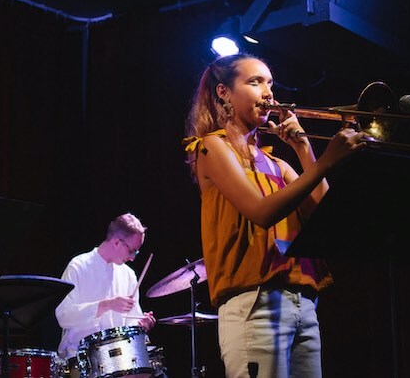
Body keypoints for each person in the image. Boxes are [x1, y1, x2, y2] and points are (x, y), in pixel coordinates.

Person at [183, 53, 366, 378]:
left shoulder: (278, 165)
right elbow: (261, 212)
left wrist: (304, 149)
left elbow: (326, 215)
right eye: (254, 82)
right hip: (254, 302)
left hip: (302, 302)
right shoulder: (211, 147)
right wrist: (326, 162)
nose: (268, 92)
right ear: (223, 92)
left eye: (270, 83)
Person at [55, 213, 157, 375]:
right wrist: (107, 305)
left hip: (119, 360)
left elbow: (131, 321)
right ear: (116, 242)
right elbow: (63, 316)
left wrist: (141, 323)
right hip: (81, 360)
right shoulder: (78, 266)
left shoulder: (128, 275)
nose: (132, 258)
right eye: (132, 251)